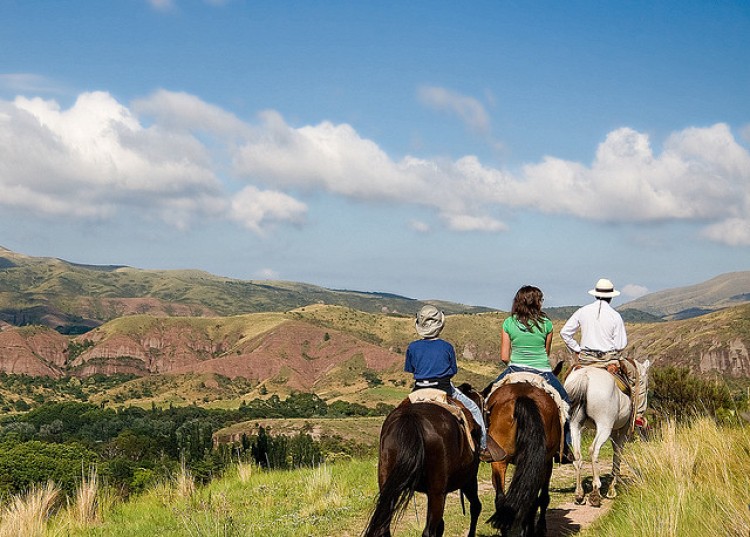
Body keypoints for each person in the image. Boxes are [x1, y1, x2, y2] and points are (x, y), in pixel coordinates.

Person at [493, 285, 574, 462]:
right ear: (537, 303)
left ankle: (487, 443)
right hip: (542, 372)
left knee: (487, 401)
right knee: (566, 404)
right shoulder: (547, 324)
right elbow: (546, 352)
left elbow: (504, 356)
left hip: (514, 369)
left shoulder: (508, 323)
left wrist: (516, 364)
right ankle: (566, 446)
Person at [405, 305, 492, 461]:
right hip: (443, 389)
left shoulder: (412, 347)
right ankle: (483, 447)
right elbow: (452, 371)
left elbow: (411, 369)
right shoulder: (446, 346)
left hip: (418, 389)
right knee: (473, 408)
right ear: (440, 325)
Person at [560, 278, 645, 425]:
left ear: (595, 294)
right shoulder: (615, 315)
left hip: (586, 359)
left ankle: (561, 410)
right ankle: (638, 415)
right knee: (637, 375)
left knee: (567, 378)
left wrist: (577, 349)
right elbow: (621, 344)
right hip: (608, 359)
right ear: (611, 297)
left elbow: (565, 333)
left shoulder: (582, 311)